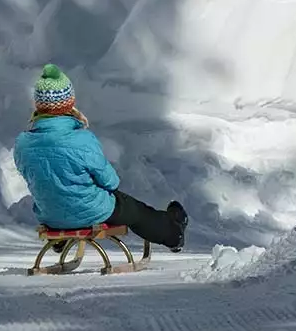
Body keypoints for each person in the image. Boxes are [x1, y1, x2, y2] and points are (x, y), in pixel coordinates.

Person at [13, 64, 188, 251]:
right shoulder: (82, 140)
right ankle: (173, 234)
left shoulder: (23, 143)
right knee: (135, 211)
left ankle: (61, 239)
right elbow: (110, 182)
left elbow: (33, 178)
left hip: (49, 215)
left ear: (38, 105)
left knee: (58, 194)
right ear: (69, 103)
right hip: (92, 211)